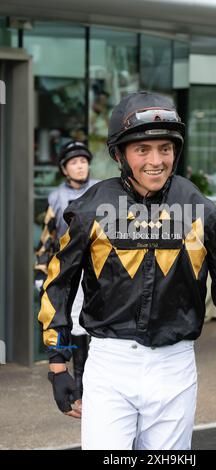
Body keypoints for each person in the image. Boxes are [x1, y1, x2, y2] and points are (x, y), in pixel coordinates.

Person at [38, 92, 216, 450]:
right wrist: (58, 363)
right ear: (120, 154)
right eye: (143, 150)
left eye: (165, 149)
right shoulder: (90, 208)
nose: (156, 161)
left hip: (176, 366)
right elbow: (57, 285)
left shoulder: (200, 209)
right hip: (109, 364)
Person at [35, 140, 99, 396]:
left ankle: (98, 382)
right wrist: (41, 271)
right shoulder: (57, 198)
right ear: (65, 169)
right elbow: (48, 237)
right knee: (74, 323)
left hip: (98, 267)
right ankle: (80, 382)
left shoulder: (100, 191)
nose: (80, 166)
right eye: (74, 162)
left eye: (83, 161)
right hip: (71, 268)